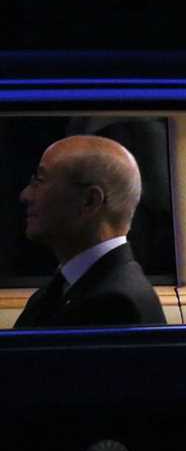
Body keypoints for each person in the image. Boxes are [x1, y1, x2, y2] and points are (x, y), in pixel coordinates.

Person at [13, 135, 166, 328]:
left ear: (89, 201)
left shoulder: (115, 306)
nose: (25, 195)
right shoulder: (69, 287)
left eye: (40, 181)